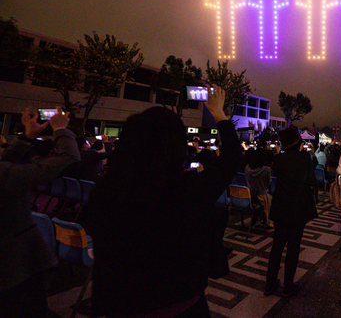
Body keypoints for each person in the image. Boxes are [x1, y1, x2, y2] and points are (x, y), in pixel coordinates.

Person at [84, 84, 243, 317]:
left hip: (119, 307)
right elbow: (232, 156)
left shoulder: (106, 191)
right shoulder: (185, 191)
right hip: (182, 309)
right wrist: (219, 114)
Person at [0, 107, 80, 317]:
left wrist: (27, 136)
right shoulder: (7, 176)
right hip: (14, 269)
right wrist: (61, 129)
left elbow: (4, 165)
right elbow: (70, 157)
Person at [264, 127, 317, 297]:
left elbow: (278, 175)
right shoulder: (305, 158)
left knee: (276, 247)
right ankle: (288, 285)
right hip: (298, 208)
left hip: (281, 207)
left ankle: (270, 283)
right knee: (293, 248)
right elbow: (309, 179)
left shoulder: (278, 159)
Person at [245, 148, 273, 227]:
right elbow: (268, 183)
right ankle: (265, 219)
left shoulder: (247, 168)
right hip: (261, 195)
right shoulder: (267, 170)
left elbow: (247, 180)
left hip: (248, 195)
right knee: (271, 198)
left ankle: (258, 217)